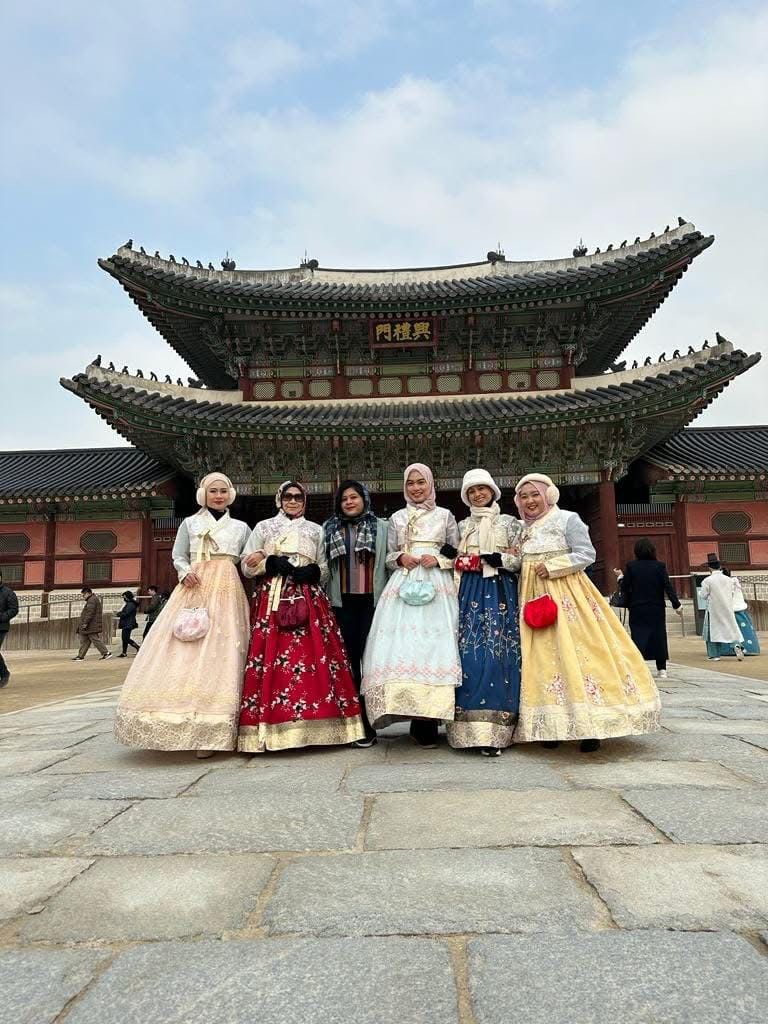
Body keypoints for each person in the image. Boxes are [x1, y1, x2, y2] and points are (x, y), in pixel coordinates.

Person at [514, 473, 660, 752]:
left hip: (568, 595)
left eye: (535, 494)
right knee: (542, 658)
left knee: (580, 653)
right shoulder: (521, 529)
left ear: (549, 495)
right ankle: (550, 726)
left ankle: (591, 726)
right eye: (524, 496)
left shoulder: (567, 519)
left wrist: (555, 566)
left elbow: (585, 554)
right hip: (530, 594)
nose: (530, 501)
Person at [114, 472, 250, 756]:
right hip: (195, 586)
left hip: (227, 588)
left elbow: (248, 561)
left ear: (231, 494)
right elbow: (178, 555)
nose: (218, 495)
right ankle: (180, 720)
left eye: (223, 491)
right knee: (184, 645)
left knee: (225, 649)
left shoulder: (240, 528)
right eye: (213, 491)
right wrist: (184, 571)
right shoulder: (190, 523)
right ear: (203, 494)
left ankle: (220, 726)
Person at [237, 480, 365, 752]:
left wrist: (315, 573)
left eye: (298, 497)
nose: (293, 501)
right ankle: (273, 728)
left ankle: (324, 724)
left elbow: (325, 566)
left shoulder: (315, 530)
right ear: (279, 499)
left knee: (318, 656)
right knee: (271, 657)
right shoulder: (263, 527)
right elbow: (246, 565)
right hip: (272, 597)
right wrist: (267, 563)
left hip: (308, 598)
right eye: (288, 496)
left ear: (304, 501)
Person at [361, 463, 461, 747]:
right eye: (410, 483)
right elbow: (389, 555)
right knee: (403, 648)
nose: (416, 488)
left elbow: (457, 552)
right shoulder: (396, 517)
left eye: (421, 482)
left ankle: (428, 719)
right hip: (404, 585)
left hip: (437, 585)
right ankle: (410, 712)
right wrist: (400, 558)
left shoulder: (445, 516)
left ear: (431, 484)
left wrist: (440, 559)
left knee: (434, 647)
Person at [446, 469, 522, 757]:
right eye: (472, 491)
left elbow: (520, 559)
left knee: (501, 656)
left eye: (482, 489)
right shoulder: (463, 525)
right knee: (470, 655)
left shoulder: (510, 523)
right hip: (470, 593)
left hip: (502, 592)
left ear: (492, 490)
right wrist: (475, 561)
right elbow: (455, 561)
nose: (478, 494)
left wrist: (501, 559)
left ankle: (499, 733)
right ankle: (467, 731)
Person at [323, 479, 388, 746]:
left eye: (354, 497)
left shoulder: (382, 527)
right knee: (349, 663)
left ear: (364, 498)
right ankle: (357, 723)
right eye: (344, 499)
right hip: (342, 604)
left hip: (374, 602)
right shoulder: (329, 528)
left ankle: (375, 718)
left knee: (373, 661)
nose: (349, 502)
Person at [616, 538, 682, 680]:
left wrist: (620, 577)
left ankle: (639, 667)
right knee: (659, 636)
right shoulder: (660, 566)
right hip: (656, 607)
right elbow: (667, 586)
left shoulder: (631, 566)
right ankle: (662, 669)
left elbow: (625, 586)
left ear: (636, 551)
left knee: (638, 636)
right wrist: (676, 604)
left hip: (637, 607)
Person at [701, 560, 745, 661]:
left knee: (712, 632)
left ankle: (714, 655)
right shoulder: (729, 580)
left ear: (710, 568)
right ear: (720, 567)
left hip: (713, 609)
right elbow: (732, 593)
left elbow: (703, 595)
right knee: (730, 628)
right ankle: (736, 645)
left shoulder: (707, 580)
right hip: (727, 608)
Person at [724, 569, 760, 656]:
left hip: (732, 610)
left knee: (732, 630)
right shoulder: (735, 583)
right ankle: (750, 648)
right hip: (740, 610)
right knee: (744, 629)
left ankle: (731, 649)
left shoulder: (727, 584)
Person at [73, 587, 113, 661]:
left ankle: (106, 653)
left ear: (88, 593)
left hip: (91, 625)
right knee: (86, 641)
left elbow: (90, 613)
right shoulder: (92, 599)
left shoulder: (91, 600)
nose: (83, 597)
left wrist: (85, 623)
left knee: (95, 639)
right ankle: (80, 655)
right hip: (91, 625)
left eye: (83, 595)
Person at [0, 571, 19, 687]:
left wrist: (2, 617)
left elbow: (14, 609)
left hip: (1, 627)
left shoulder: (8, 592)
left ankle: (4, 673)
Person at [116, 590, 140, 657]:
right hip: (126, 623)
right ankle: (124, 652)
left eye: (124, 597)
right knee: (124, 638)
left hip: (128, 623)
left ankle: (138, 647)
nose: (124, 599)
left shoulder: (130, 604)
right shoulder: (130, 603)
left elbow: (126, 613)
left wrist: (118, 614)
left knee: (126, 638)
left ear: (127, 597)